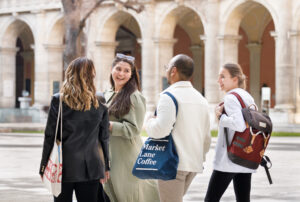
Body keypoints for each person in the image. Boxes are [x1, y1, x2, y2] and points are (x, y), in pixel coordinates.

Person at [39, 57, 110, 202]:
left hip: (63, 167)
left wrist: (43, 165)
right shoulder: (100, 100)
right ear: (92, 76)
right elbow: (104, 138)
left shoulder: (58, 100)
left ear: (69, 74)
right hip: (92, 166)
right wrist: (106, 166)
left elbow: (50, 136)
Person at [145, 54, 211, 202]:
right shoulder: (202, 99)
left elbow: (160, 130)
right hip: (193, 163)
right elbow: (206, 137)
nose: (166, 71)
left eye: (167, 67)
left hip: (172, 164)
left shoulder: (168, 96)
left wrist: (149, 121)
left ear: (173, 71)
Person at [103, 53, 159, 202]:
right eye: (118, 69)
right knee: (110, 194)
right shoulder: (108, 93)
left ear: (132, 75)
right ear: (111, 69)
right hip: (109, 155)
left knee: (128, 195)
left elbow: (134, 129)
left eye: (126, 71)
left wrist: (108, 125)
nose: (121, 74)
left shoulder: (134, 96)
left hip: (126, 156)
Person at [204, 63, 256, 202]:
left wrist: (220, 117)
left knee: (211, 199)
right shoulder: (248, 97)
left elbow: (238, 125)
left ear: (235, 79)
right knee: (243, 199)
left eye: (223, 77)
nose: (218, 80)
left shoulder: (231, 97)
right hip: (245, 156)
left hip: (229, 157)